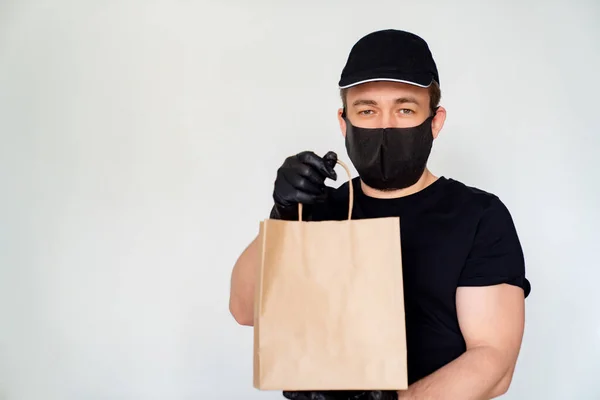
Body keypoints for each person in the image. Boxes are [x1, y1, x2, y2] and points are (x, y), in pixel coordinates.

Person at [229, 29, 531, 400]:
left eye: (405, 109)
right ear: (344, 123)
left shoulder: (478, 215)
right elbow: (244, 309)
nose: (385, 125)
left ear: (435, 122)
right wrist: (283, 216)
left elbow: (493, 359)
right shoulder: (319, 211)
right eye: (367, 110)